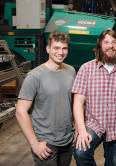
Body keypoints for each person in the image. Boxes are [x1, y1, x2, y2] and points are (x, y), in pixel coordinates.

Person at [71, 29, 116, 166]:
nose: (110, 45)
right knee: (80, 152)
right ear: (100, 46)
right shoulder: (86, 69)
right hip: (94, 124)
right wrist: (82, 131)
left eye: (114, 42)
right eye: (106, 42)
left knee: (113, 163)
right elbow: (77, 102)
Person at [16, 30, 76, 166]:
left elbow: (74, 104)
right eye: (56, 48)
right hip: (46, 143)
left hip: (67, 140)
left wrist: (77, 130)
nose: (60, 52)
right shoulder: (34, 76)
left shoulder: (71, 71)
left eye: (64, 48)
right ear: (48, 49)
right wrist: (34, 143)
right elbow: (20, 112)